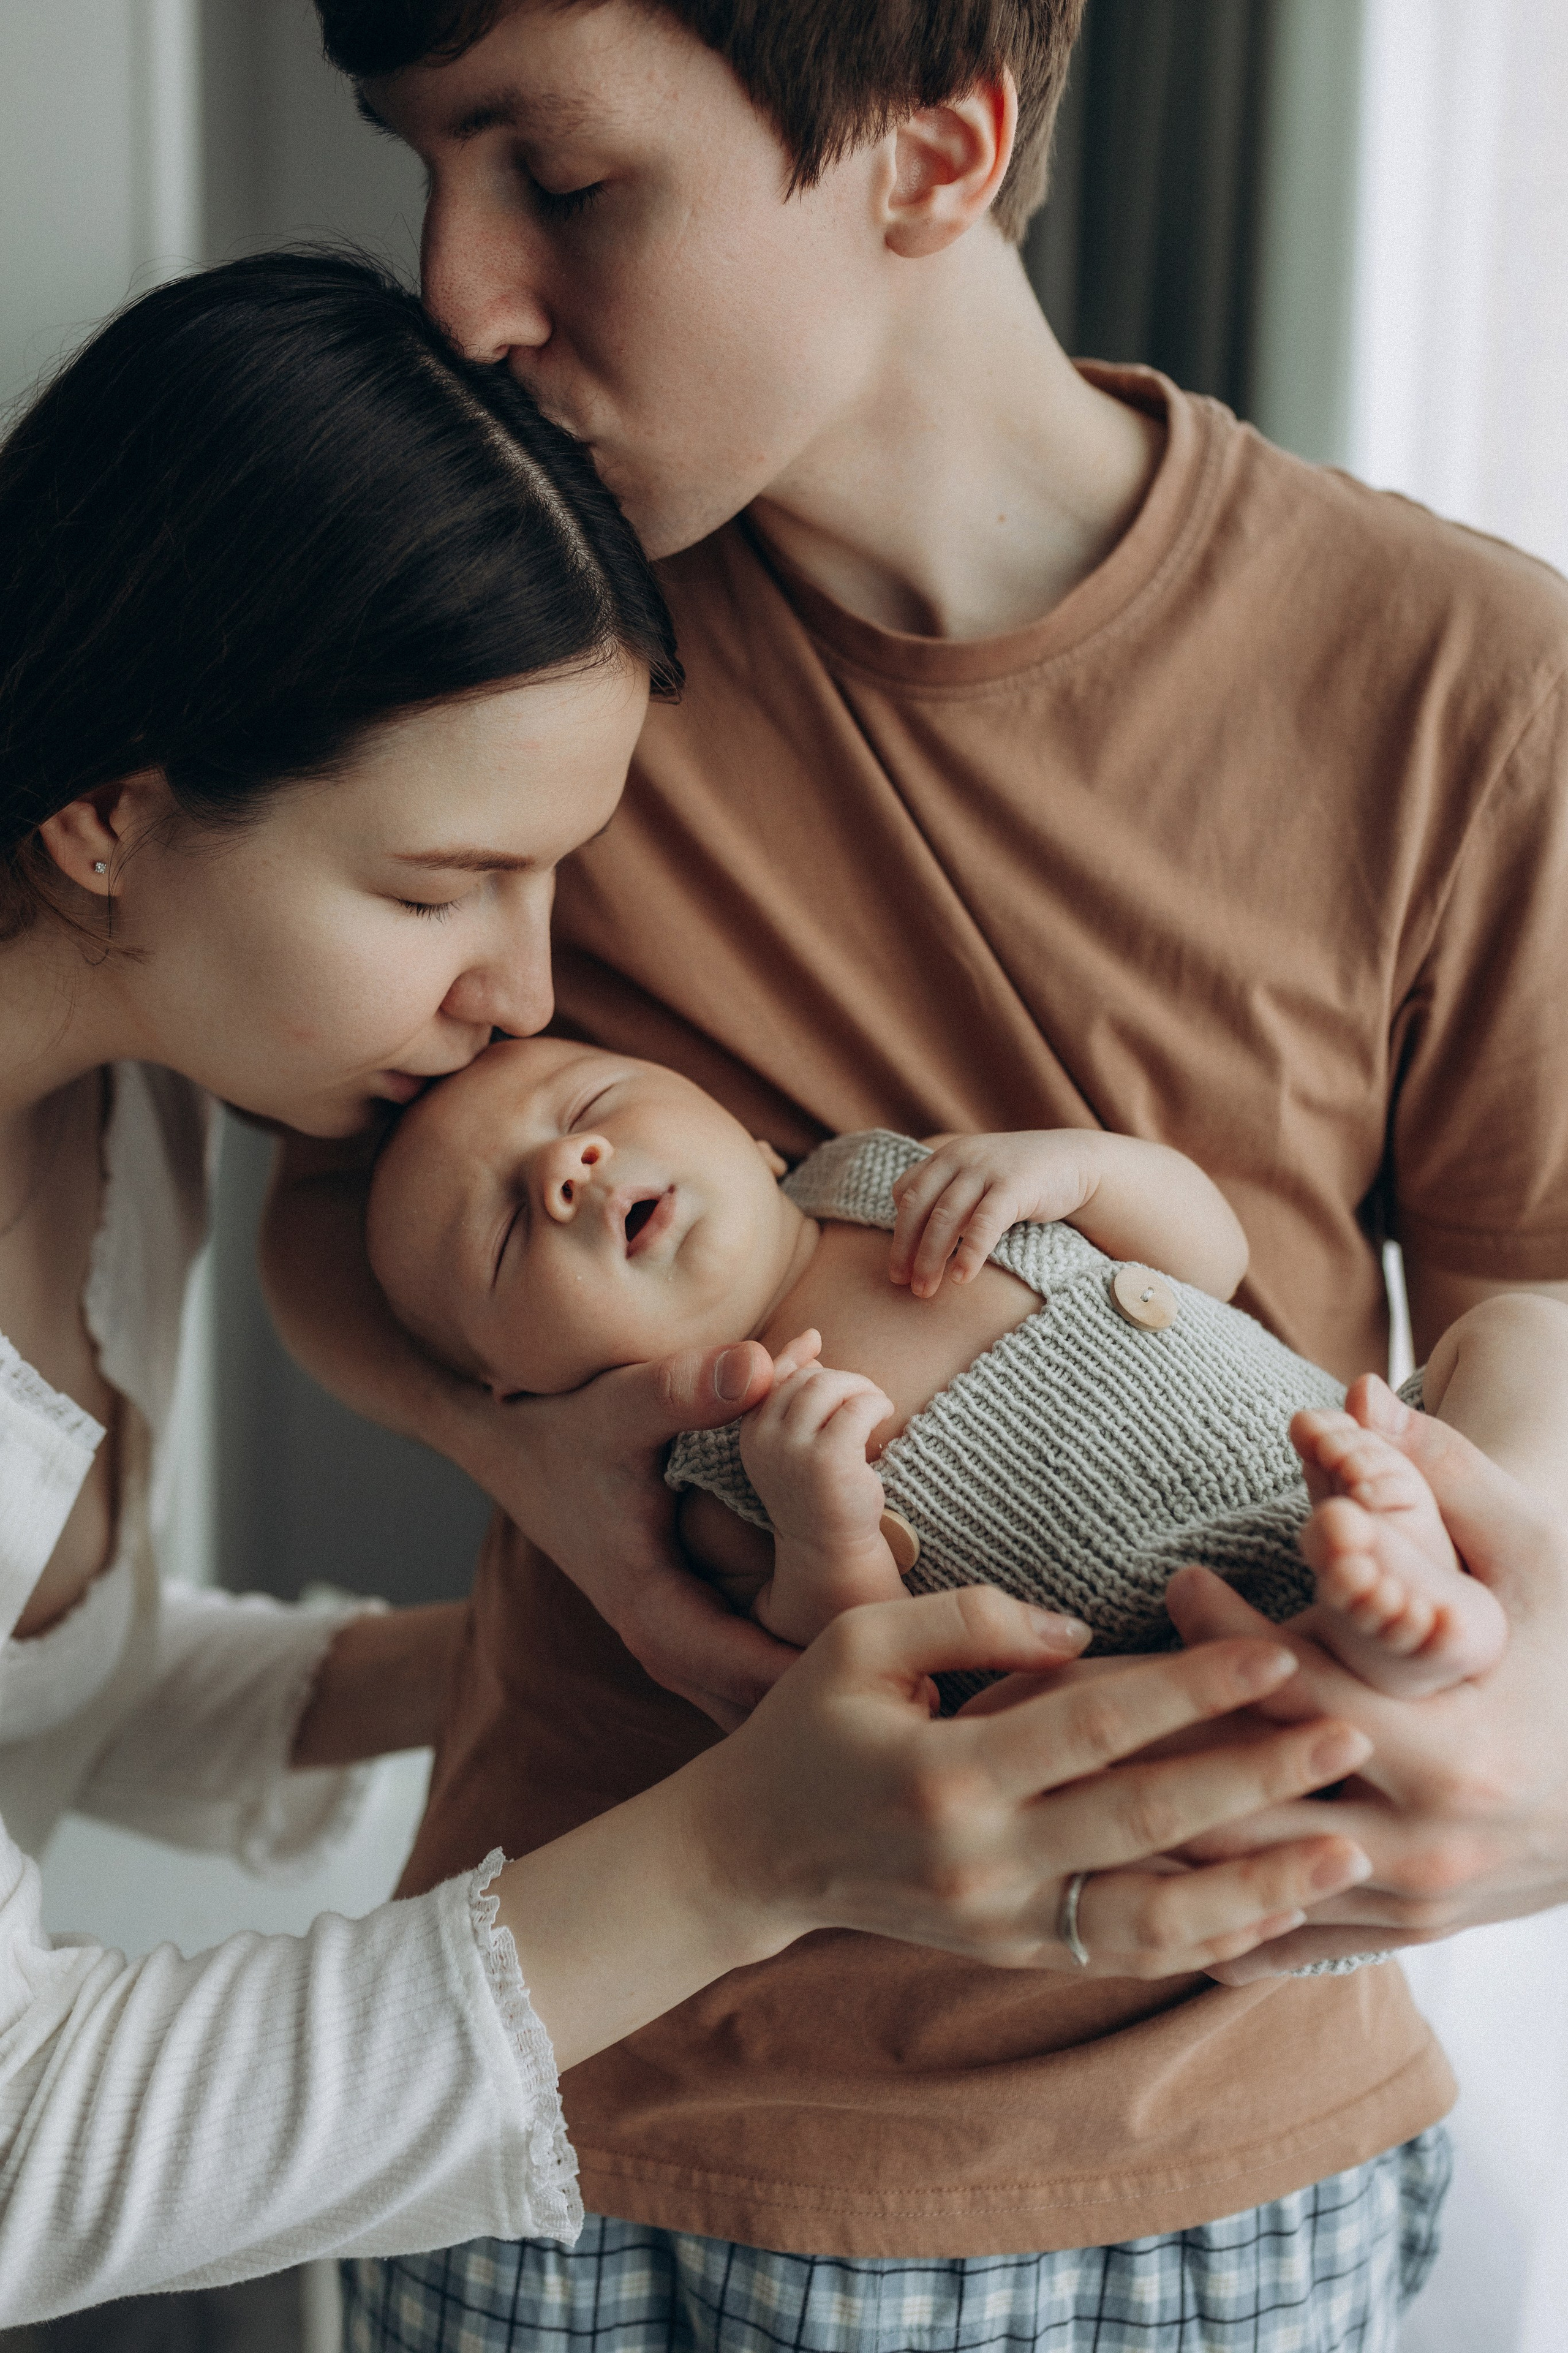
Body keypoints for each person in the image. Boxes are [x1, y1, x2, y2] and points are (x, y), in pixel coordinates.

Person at [273, 2, 1568, 2346]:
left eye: (556, 177)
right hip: (572, 2107)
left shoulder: (1469, 678)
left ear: (935, 151)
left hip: (1198, 2155)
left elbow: (1535, 1293)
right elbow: (305, 1204)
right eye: (420, 164)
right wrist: (542, 1452)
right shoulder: (495, 653)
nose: (457, 289)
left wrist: (1504, 1665)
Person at [0, 251, 1365, 2328]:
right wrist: (753, 1848)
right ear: (112, 821)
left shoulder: (130, 1106)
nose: (522, 996)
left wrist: (578, 1573)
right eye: (438, 886)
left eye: (550, 879)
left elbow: (52, 1686)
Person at [366, 1036, 1561, 1694]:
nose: (566, 1164)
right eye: (509, 1231)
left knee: (1520, 1336)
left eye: (593, 1098)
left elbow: (1212, 1255)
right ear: (514, 1390)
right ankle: (1407, 1624)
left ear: (739, 1127)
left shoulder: (903, 1179)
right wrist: (823, 1533)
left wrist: (1088, 1171)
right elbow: (863, 1680)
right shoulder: (716, 1486)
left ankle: (1454, 1551)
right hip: (1181, 1661)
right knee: (1062, 1731)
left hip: (1345, 1451)